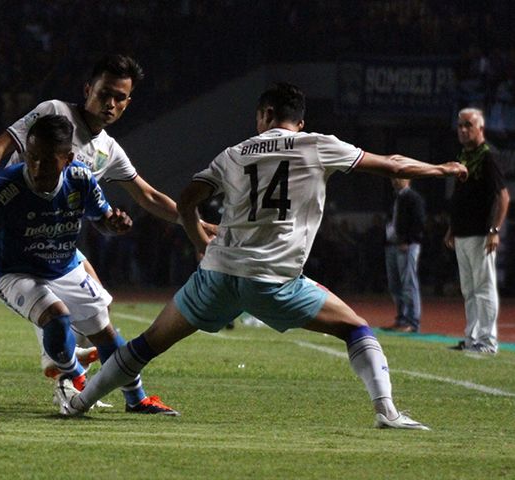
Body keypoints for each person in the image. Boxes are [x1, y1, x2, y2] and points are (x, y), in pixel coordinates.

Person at [56, 83, 468, 430]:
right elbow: (392, 165)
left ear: (264, 115)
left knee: (146, 344)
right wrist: (442, 170)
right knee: (357, 329)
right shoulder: (318, 146)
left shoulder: (234, 153)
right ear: (299, 122)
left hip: (216, 275)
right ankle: (387, 411)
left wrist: (200, 241)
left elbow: (186, 201)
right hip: (275, 281)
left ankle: (79, 403)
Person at [0, 54, 216, 380]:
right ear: (88, 89)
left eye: (119, 98)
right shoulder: (54, 112)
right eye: (104, 94)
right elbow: (1, 144)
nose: (110, 103)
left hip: (57, 239)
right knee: (62, 310)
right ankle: (66, 367)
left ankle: (65, 363)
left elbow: (148, 196)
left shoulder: (109, 149)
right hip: (17, 236)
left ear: (128, 103)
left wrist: (196, 223)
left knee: (101, 307)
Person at [0, 115, 178, 415]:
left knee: (105, 332)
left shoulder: (81, 178)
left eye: (47, 161)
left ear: (68, 158)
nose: (37, 168)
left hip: (64, 266)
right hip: (14, 271)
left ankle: (136, 399)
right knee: (57, 316)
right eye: (32, 158)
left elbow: (101, 220)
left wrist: (113, 224)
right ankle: (72, 374)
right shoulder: (4, 190)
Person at [445, 108, 510, 354]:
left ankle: (488, 340)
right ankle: (472, 337)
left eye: (468, 125)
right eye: (460, 125)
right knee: (469, 289)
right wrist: (453, 226)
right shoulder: (464, 155)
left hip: (481, 233)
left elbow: (503, 196)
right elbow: (461, 195)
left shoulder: (487, 156)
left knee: (484, 288)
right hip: (463, 232)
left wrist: (494, 229)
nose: (463, 130)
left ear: (480, 128)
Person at [382, 178, 425, 332]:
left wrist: (408, 240)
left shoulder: (413, 198)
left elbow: (419, 222)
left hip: (406, 246)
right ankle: (401, 318)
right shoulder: (395, 198)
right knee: (395, 285)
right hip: (392, 245)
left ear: (408, 179)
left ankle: (412, 322)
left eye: (399, 177)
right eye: (393, 177)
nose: (395, 180)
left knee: (408, 283)